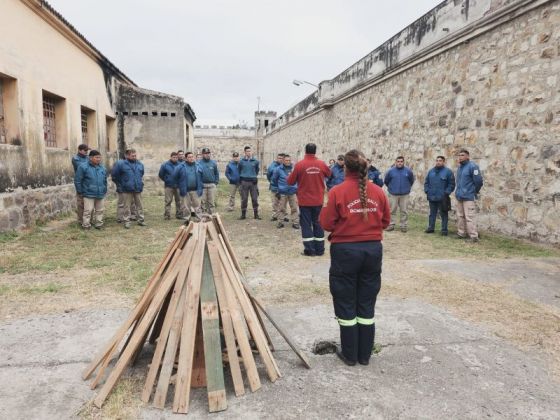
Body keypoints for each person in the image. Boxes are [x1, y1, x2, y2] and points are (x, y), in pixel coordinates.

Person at [319, 149, 390, 366]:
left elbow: (326, 223)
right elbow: (385, 221)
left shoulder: (337, 191)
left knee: (346, 301)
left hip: (346, 252)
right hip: (372, 251)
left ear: (344, 167)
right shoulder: (378, 192)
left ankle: (350, 354)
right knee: (366, 303)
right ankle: (364, 354)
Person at [287, 143, 331, 256]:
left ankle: (310, 250)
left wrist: (290, 175)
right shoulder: (321, 164)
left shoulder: (299, 165)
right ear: (315, 151)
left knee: (306, 224)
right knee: (318, 223)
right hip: (318, 200)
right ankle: (320, 250)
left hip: (304, 200)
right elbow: (329, 174)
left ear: (305, 151)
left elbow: (290, 181)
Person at [111, 148, 145, 229]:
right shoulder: (121, 164)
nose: (134, 157)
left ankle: (141, 220)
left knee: (140, 206)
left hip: (137, 188)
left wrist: (140, 183)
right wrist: (121, 184)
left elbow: (141, 174)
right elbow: (115, 176)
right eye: (132, 155)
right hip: (126, 189)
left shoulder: (140, 164)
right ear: (127, 156)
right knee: (126, 206)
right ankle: (126, 221)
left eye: (135, 155)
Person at [74, 150, 107, 230]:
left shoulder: (102, 167)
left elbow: (105, 180)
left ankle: (98, 224)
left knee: (100, 210)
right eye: (97, 157)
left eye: (99, 157)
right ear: (90, 158)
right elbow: (78, 180)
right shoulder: (83, 167)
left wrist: (104, 189)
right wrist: (80, 192)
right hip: (88, 193)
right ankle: (86, 225)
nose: (99, 159)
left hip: (100, 193)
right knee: (88, 211)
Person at [455, 149, 483, 242]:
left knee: (470, 217)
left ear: (468, 156)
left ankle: (474, 236)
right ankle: (461, 233)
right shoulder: (460, 167)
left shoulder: (473, 166)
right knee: (460, 216)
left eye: (462, 155)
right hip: (459, 196)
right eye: (459, 155)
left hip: (468, 196)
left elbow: (478, 181)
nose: (460, 157)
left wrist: (474, 191)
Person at [424, 156, 456, 236]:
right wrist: (427, 190)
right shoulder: (431, 171)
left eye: (440, 161)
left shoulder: (448, 172)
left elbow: (451, 184)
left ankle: (444, 230)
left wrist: (446, 193)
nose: (438, 162)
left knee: (444, 214)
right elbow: (426, 182)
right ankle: (431, 228)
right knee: (432, 214)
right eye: (437, 160)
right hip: (432, 196)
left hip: (442, 198)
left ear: (444, 162)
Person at [384, 156, 415, 232]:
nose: (399, 163)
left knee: (404, 210)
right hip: (393, 194)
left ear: (403, 162)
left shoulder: (408, 171)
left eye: (401, 161)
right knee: (392, 210)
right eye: (398, 161)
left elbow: (411, 180)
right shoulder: (390, 171)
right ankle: (391, 225)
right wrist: (392, 188)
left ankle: (403, 225)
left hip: (404, 194)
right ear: (396, 162)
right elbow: (386, 181)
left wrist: (406, 188)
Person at [174, 151, 203, 222]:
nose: (191, 158)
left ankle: (199, 219)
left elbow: (202, 176)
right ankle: (187, 220)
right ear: (186, 158)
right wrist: (180, 185)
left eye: (192, 157)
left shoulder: (198, 165)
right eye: (189, 157)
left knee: (197, 206)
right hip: (185, 190)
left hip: (196, 190)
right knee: (186, 207)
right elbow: (175, 176)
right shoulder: (180, 167)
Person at [272, 154, 299, 229]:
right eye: (286, 160)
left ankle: (295, 222)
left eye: (289, 160)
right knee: (282, 208)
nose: (288, 162)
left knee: (294, 208)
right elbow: (274, 180)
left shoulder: (294, 169)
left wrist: (296, 187)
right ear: (283, 161)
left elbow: (298, 179)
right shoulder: (278, 169)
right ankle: (280, 222)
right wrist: (278, 189)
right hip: (283, 191)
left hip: (292, 191)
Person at [237, 146, 261, 220]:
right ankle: (243, 215)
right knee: (244, 199)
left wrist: (253, 176)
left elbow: (256, 171)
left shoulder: (255, 161)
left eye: (250, 151)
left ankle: (256, 214)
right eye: (247, 151)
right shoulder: (241, 161)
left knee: (254, 198)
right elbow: (239, 170)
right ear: (244, 152)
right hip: (244, 182)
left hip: (253, 183)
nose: (249, 152)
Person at [158, 152, 181, 220]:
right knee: (168, 201)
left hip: (178, 186)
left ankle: (179, 214)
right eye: (173, 157)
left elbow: (182, 174)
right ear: (170, 157)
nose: (175, 159)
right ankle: (167, 215)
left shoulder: (180, 165)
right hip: (169, 186)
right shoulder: (165, 165)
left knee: (179, 201)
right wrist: (167, 180)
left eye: (176, 157)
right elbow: (161, 174)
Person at [198, 147, 219, 214]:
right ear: (202, 154)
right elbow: (197, 174)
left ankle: (212, 215)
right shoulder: (199, 163)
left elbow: (216, 173)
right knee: (202, 202)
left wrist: (216, 182)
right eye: (205, 153)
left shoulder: (213, 163)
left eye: (208, 153)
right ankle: (203, 215)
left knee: (211, 202)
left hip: (211, 185)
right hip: (202, 185)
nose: (207, 155)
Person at [72, 143, 89, 223]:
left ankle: (88, 220)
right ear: (79, 150)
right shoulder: (75, 158)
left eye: (87, 150)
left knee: (89, 203)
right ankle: (80, 220)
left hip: (88, 181)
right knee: (81, 203)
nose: (86, 152)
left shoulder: (88, 157)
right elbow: (82, 167)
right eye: (85, 150)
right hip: (81, 182)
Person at [267, 153, 285, 221]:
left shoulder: (285, 166)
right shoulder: (272, 166)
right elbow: (268, 175)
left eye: (281, 158)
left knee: (282, 202)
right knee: (275, 202)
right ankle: (275, 215)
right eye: (279, 158)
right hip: (274, 187)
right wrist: (271, 182)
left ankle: (282, 215)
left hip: (283, 187)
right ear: (277, 158)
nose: (280, 160)